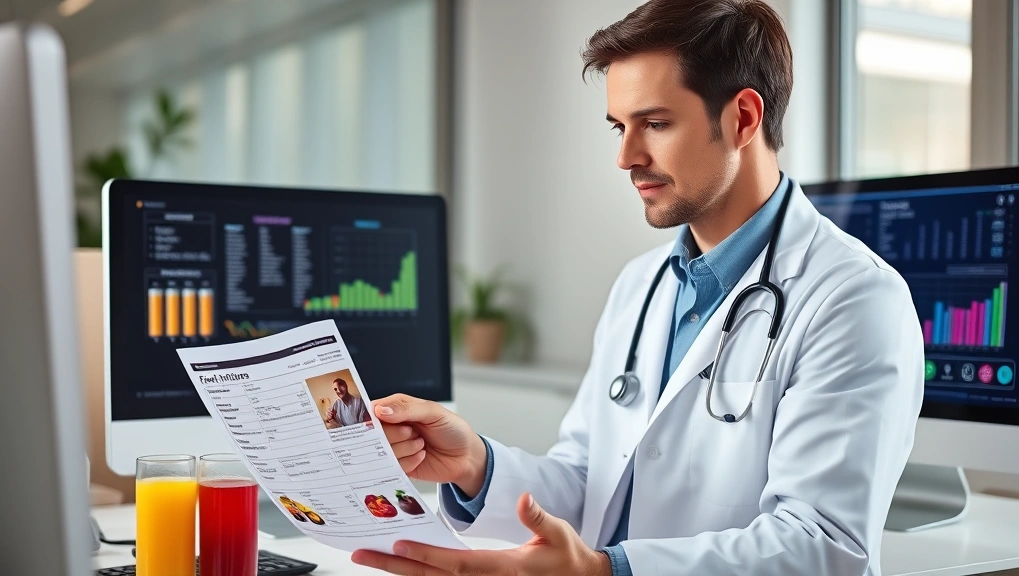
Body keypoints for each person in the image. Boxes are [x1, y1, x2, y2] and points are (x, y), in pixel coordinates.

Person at [352, 1, 924, 575]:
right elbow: (589, 482)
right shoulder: (640, 285)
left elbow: (821, 548)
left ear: (743, 119)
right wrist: (474, 464)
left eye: (655, 123)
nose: (626, 157)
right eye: (619, 127)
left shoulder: (854, 300)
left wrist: (605, 571)